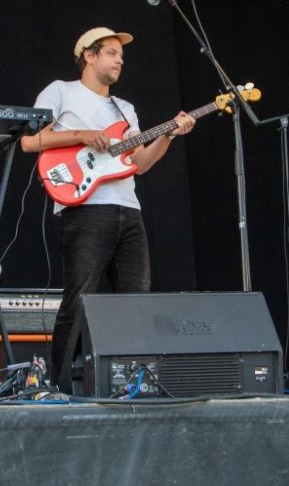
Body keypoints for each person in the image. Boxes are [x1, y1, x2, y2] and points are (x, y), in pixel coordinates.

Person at [20, 27, 195, 385]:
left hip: (129, 209)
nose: (120, 61)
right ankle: (60, 385)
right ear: (89, 55)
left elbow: (141, 163)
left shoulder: (124, 109)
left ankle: (132, 384)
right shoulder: (61, 91)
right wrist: (83, 135)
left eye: (122, 56)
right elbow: (29, 140)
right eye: (112, 53)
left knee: (135, 301)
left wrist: (168, 134)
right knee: (79, 299)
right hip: (85, 206)